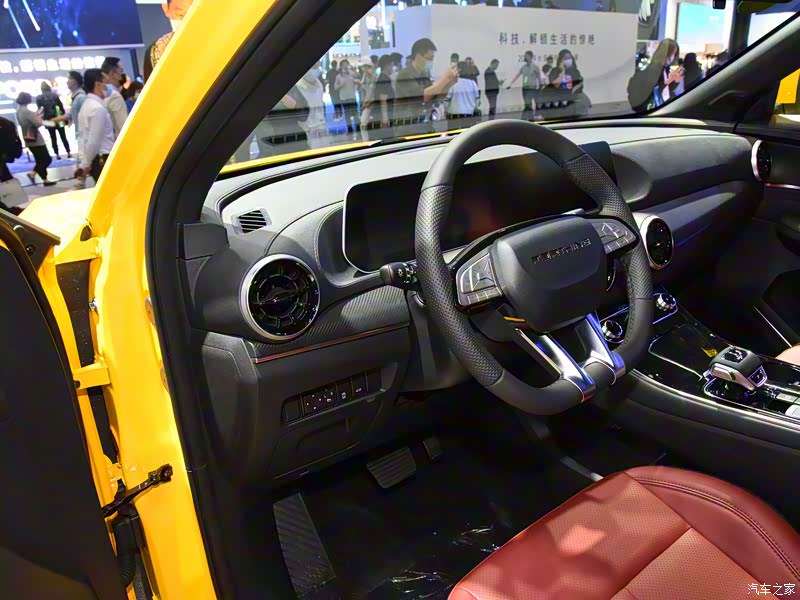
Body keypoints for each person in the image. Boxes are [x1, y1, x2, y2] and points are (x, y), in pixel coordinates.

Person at [394, 38, 458, 135]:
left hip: (425, 125)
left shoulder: (424, 75)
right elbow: (421, 96)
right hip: (408, 128)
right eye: (429, 59)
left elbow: (435, 98)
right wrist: (445, 79)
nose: (431, 62)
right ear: (418, 56)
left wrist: (449, 84)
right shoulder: (404, 75)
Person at [76, 69, 116, 184]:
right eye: (106, 83)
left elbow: (83, 138)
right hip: (103, 158)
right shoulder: (97, 108)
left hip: (97, 159)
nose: (108, 87)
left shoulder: (87, 105)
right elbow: (94, 140)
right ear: (97, 84)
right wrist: (85, 164)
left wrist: (84, 161)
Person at [144, 0, 196, 81]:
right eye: (181, 15)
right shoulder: (156, 51)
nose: (188, 20)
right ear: (166, 8)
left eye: (194, 13)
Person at [627, 38, 682, 112]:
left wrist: (675, 81)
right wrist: (669, 81)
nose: (673, 57)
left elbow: (665, 91)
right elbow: (652, 91)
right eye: (672, 54)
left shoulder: (664, 68)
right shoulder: (654, 69)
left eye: (674, 54)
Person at [15, 92, 55, 186]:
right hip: (36, 139)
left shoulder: (18, 111)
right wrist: (41, 118)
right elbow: (37, 123)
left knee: (39, 159)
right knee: (46, 159)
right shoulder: (27, 111)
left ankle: (44, 179)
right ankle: (33, 174)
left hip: (27, 137)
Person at [546, 49, 592, 117]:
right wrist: (562, 71)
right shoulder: (555, 71)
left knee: (584, 101)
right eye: (565, 58)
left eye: (569, 58)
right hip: (559, 97)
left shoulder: (575, 71)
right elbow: (555, 85)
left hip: (573, 96)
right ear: (560, 60)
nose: (568, 60)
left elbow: (578, 86)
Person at [297, 63, 328, 148]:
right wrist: (307, 128)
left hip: (321, 124)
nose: (316, 70)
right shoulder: (297, 87)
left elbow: (320, 105)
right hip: (307, 128)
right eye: (313, 67)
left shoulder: (319, 85)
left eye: (317, 67)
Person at [36, 82, 70, 159]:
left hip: (48, 120)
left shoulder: (39, 98)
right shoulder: (55, 96)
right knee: (63, 136)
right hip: (58, 119)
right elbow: (61, 107)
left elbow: (40, 110)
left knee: (53, 137)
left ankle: (57, 154)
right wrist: (63, 117)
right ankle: (68, 152)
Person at [507, 50, 542, 120]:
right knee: (528, 105)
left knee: (527, 104)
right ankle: (531, 119)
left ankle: (523, 119)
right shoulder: (523, 67)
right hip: (524, 89)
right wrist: (510, 84)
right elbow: (517, 76)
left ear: (531, 57)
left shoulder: (535, 67)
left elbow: (539, 77)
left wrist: (540, 86)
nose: (525, 57)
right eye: (525, 56)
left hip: (532, 89)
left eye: (527, 56)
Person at [100, 57, 129, 138]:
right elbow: (123, 125)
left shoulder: (102, 93)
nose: (122, 75)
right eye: (120, 72)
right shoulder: (114, 96)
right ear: (112, 73)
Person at [335, 59, 360, 133]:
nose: (345, 66)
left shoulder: (352, 74)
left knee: (355, 113)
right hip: (344, 98)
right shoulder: (338, 76)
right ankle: (349, 128)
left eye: (346, 64)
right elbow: (335, 87)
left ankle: (358, 127)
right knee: (347, 115)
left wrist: (355, 81)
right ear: (341, 66)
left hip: (352, 97)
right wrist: (341, 84)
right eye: (344, 64)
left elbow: (358, 81)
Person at [0, 115, 23, 184]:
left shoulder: (5, 124)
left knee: (5, 175)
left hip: (4, 152)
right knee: (5, 175)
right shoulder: (6, 123)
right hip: (5, 152)